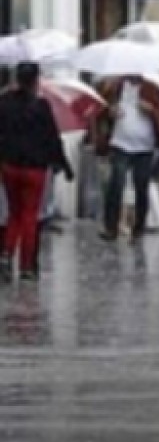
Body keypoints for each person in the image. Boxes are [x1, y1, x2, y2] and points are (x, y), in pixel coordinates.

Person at [0, 63, 73, 280]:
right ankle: (27, 266)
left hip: (9, 165)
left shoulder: (4, 103)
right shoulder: (41, 106)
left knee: (14, 213)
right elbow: (53, 138)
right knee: (30, 215)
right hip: (34, 169)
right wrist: (64, 165)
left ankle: (5, 254)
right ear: (35, 81)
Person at [97, 73, 159, 244]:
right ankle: (111, 227)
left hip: (145, 146)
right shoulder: (115, 88)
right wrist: (110, 112)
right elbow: (100, 111)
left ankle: (138, 228)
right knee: (116, 183)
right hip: (120, 143)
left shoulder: (152, 89)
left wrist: (151, 111)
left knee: (141, 186)